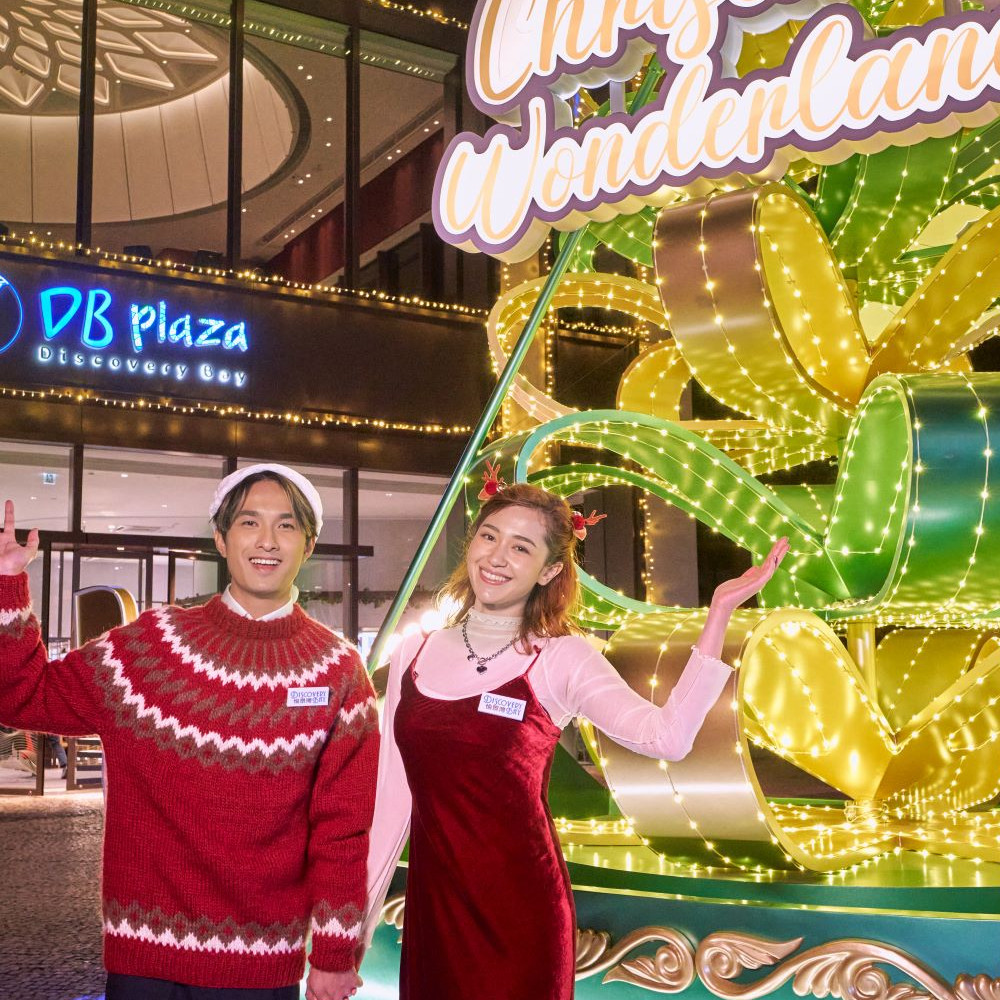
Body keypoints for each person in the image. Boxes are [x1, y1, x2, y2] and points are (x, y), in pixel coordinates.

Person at [362, 481, 789, 1000]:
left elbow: (668, 737)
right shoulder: (415, 651)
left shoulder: (563, 658)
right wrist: (352, 930)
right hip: (436, 909)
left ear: (549, 571)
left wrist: (718, 613)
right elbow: (389, 795)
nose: (497, 557)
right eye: (489, 537)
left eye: (521, 547)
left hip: (523, 911)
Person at [0, 464, 378, 1000]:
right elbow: (24, 695)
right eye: (249, 523)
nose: (267, 541)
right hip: (145, 956)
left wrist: (335, 956)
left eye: (286, 526)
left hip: (262, 963)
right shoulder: (150, 647)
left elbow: (342, 829)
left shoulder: (338, 672)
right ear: (221, 539)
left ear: (308, 544)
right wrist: (8, 586)